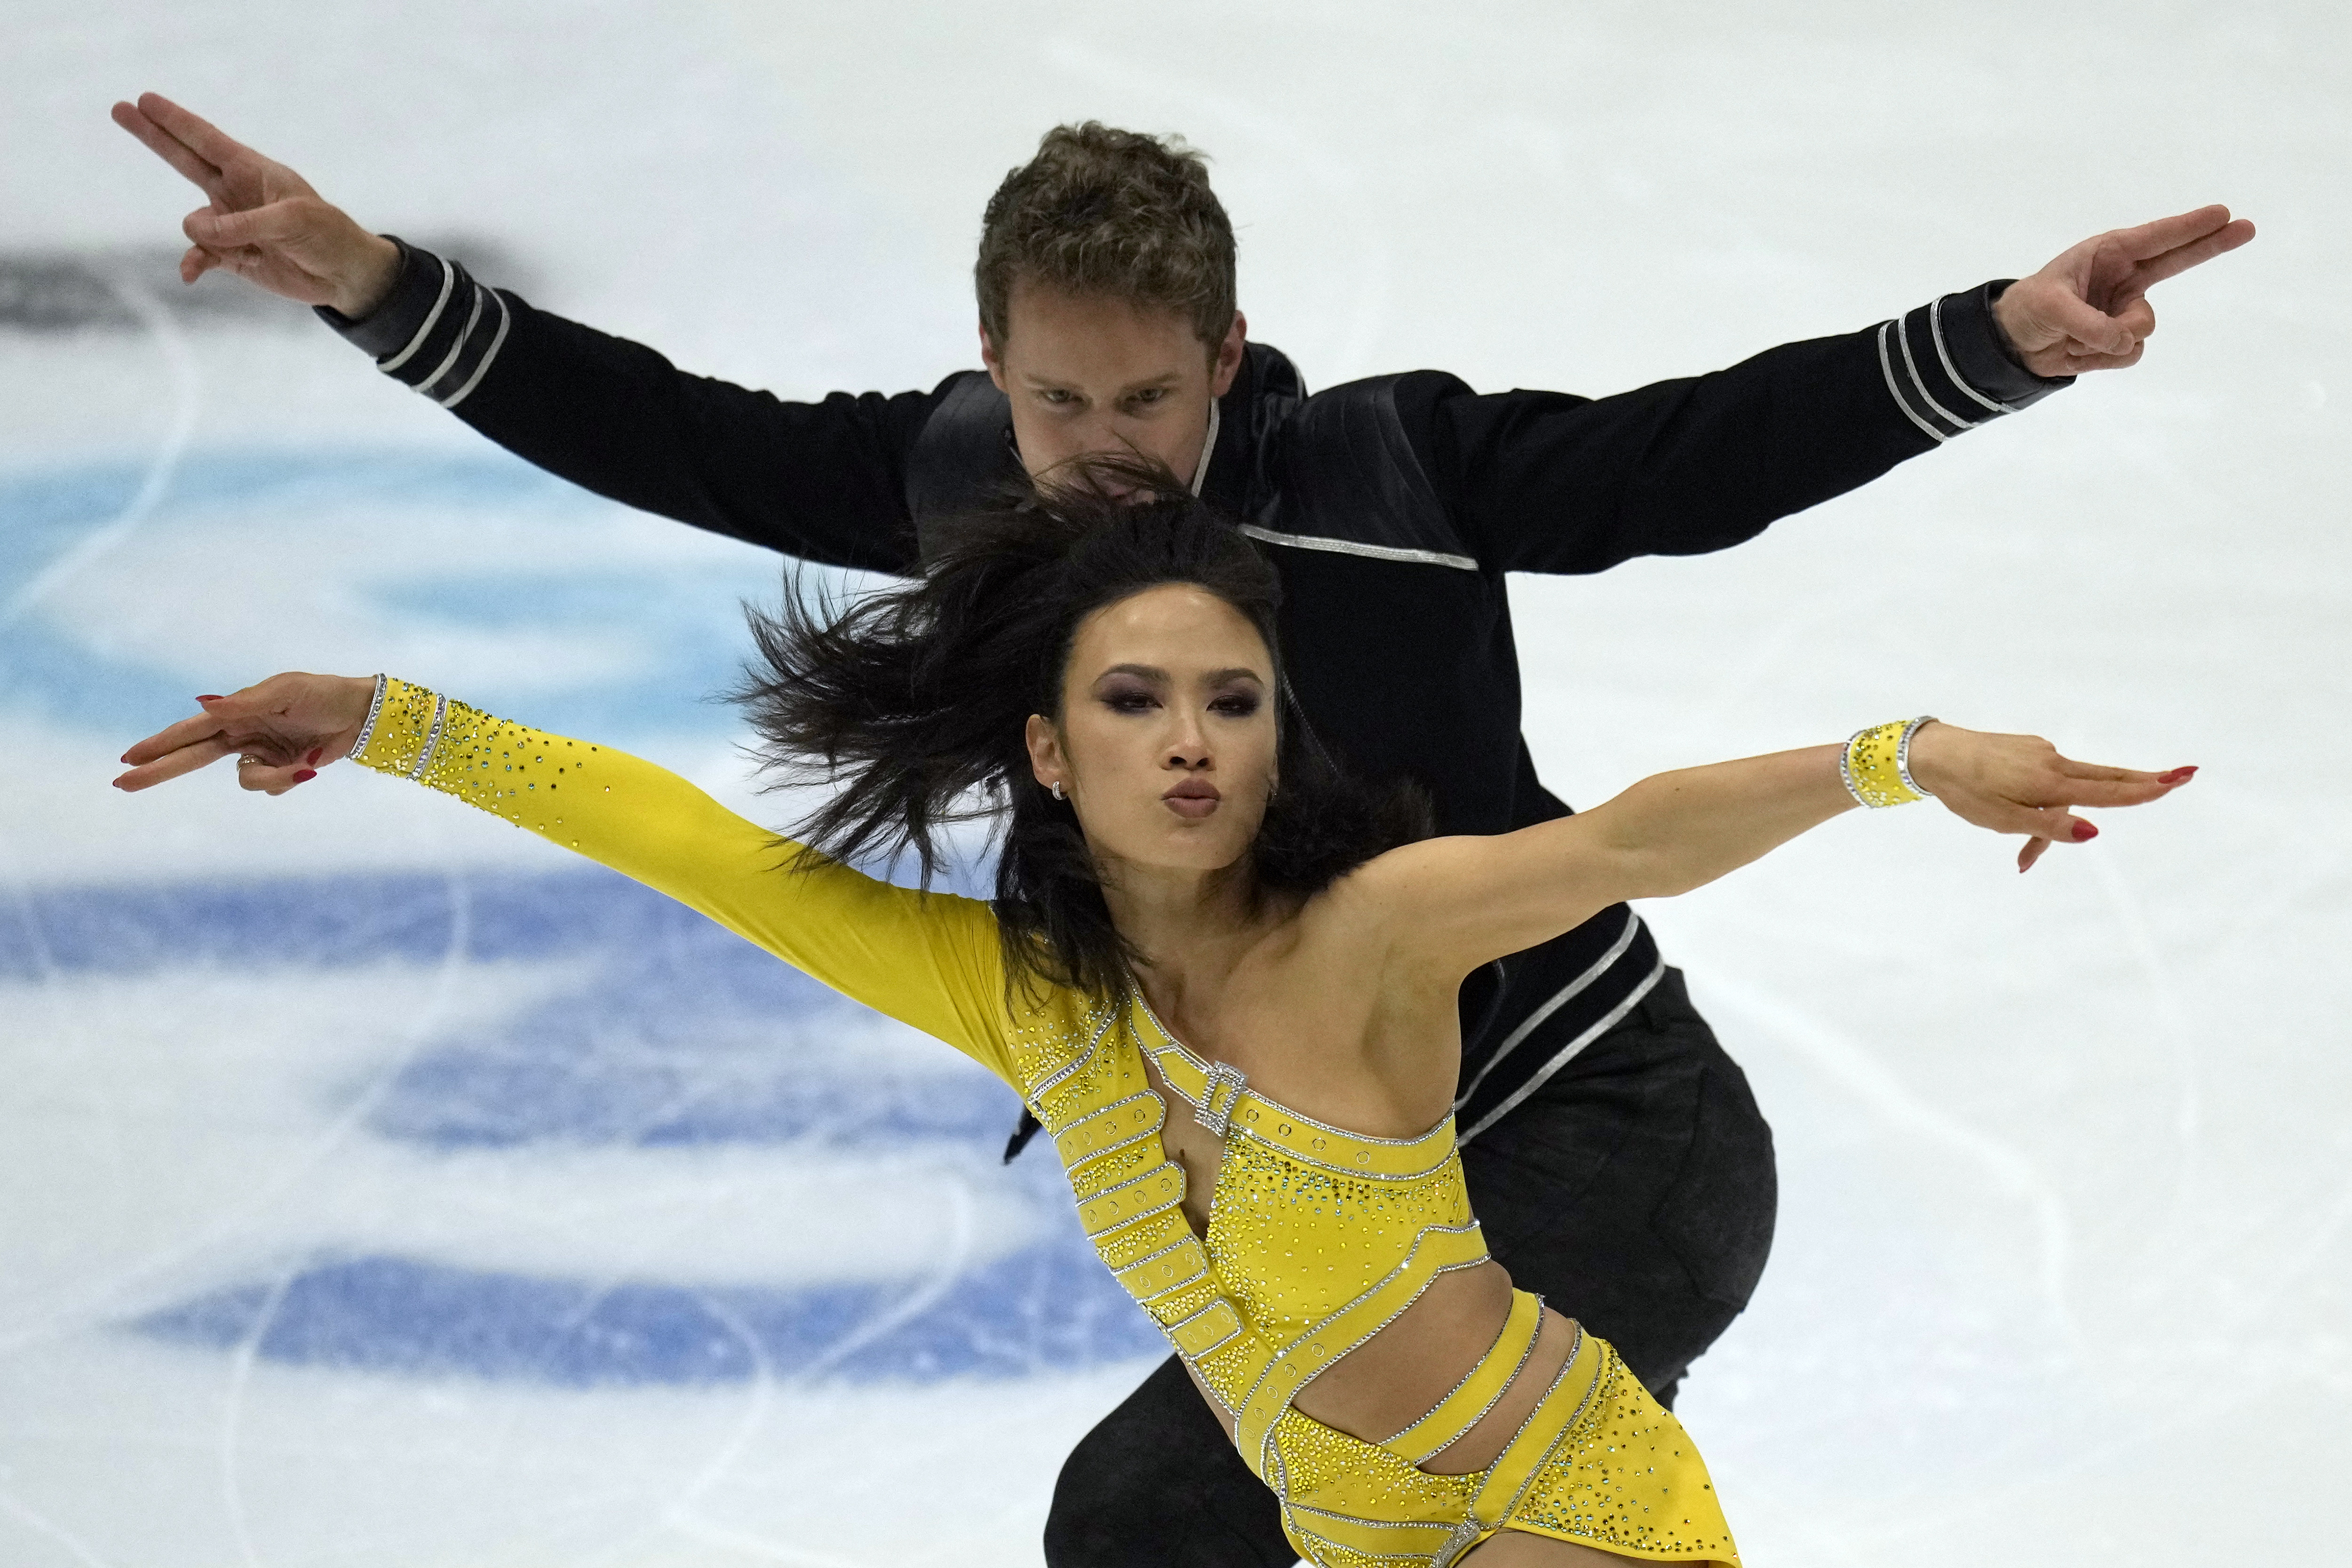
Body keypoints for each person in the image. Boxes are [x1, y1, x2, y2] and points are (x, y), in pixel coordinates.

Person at [111, 93, 2249, 1568]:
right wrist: (371, 284)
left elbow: (1676, 466)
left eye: (1152, 399)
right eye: (1059, 403)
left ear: (1225, 356)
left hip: (1590, 1123)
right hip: (1289, 1157)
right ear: (991, 365)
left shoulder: (1389, 470)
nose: (1107, 451)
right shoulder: (968, 485)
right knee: (1142, 1525)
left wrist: (1989, 348)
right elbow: (678, 443)